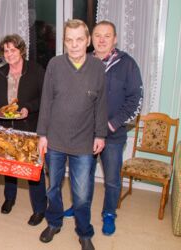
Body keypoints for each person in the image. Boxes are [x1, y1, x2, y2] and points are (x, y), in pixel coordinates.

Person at [62, 20, 143, 236]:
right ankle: (80, 207)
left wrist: (110, 124)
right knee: (82, 176)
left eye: (107, 35)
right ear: (91, 39)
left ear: (114, 39)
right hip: (85, 134)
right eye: (97, 35)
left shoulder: (128, 64)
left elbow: (135, 100)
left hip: (113, 134)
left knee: (112, 179)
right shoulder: (84, 62)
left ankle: (109, 214)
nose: (101, 39)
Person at [37, 19, 107, 250]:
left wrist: (100, 134)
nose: (74, 45)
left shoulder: (97, 68)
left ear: (87, 41)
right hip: (55, 140)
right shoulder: (55, 65)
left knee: (82, 194)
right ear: (64, 42)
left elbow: (101, 104)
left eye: (79, 39)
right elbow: (46, 101)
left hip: (84, 143)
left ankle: (84, 232)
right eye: (69, 40)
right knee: (53, 188)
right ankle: (54, 222)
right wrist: (42, 135)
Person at [0, 34, 47, 225]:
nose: (9, 54)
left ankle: (39, 208)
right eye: (6, 50)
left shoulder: (36, 71)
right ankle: (9, 199)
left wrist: (28, 107)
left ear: (21, 50)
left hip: (29, 128)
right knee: (8, 167)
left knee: (33, 171)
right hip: (6, 128)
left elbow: (45, 97)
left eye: (13, 49)